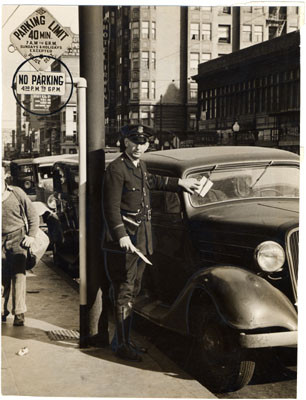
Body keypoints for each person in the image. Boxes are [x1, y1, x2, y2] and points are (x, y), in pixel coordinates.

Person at [103, 125, 200, 361]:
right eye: (134, 142)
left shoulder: (139, 165)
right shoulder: (116, 169)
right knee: (125, 290)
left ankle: (122, 340)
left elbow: (152, 181)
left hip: (142, 239)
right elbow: (110, 207)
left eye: (143, 143)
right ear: (124, 142)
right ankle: (122, 345)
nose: (139, 147)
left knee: (134, 289)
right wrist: (121, 236)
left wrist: (180, 184)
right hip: (126, 240)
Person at [2, 164, 39, 326]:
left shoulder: (17, 193)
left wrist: (31, 236)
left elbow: (33, 215)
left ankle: (19, 313)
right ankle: (2, 310)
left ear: (5, 176)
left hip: (18, 238)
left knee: (19, 276)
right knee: (2, 278)